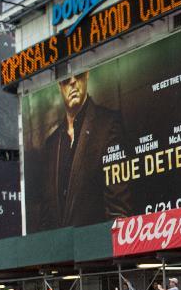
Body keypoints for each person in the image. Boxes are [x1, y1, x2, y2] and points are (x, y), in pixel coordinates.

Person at [26, 71, 130, 232]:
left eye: (78, 74)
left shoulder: (108, 125)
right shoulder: (51, 144)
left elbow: (119, 209)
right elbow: (46, 215)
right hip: (61, 253)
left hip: (98, 250)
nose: (73, 82)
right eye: (66, 79)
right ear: (59, 85)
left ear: (87, 74)